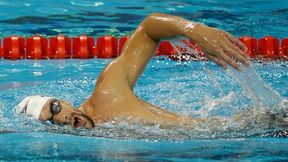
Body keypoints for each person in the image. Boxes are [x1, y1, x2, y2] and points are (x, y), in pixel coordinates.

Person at [16, 13, 250, 129]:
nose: (61, 117)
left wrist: (196, 31)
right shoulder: (101, 135)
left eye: (55, 107)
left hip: (253, 126)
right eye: (51, 121)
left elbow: (148, 28)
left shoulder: (108, 93)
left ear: (64, 101)